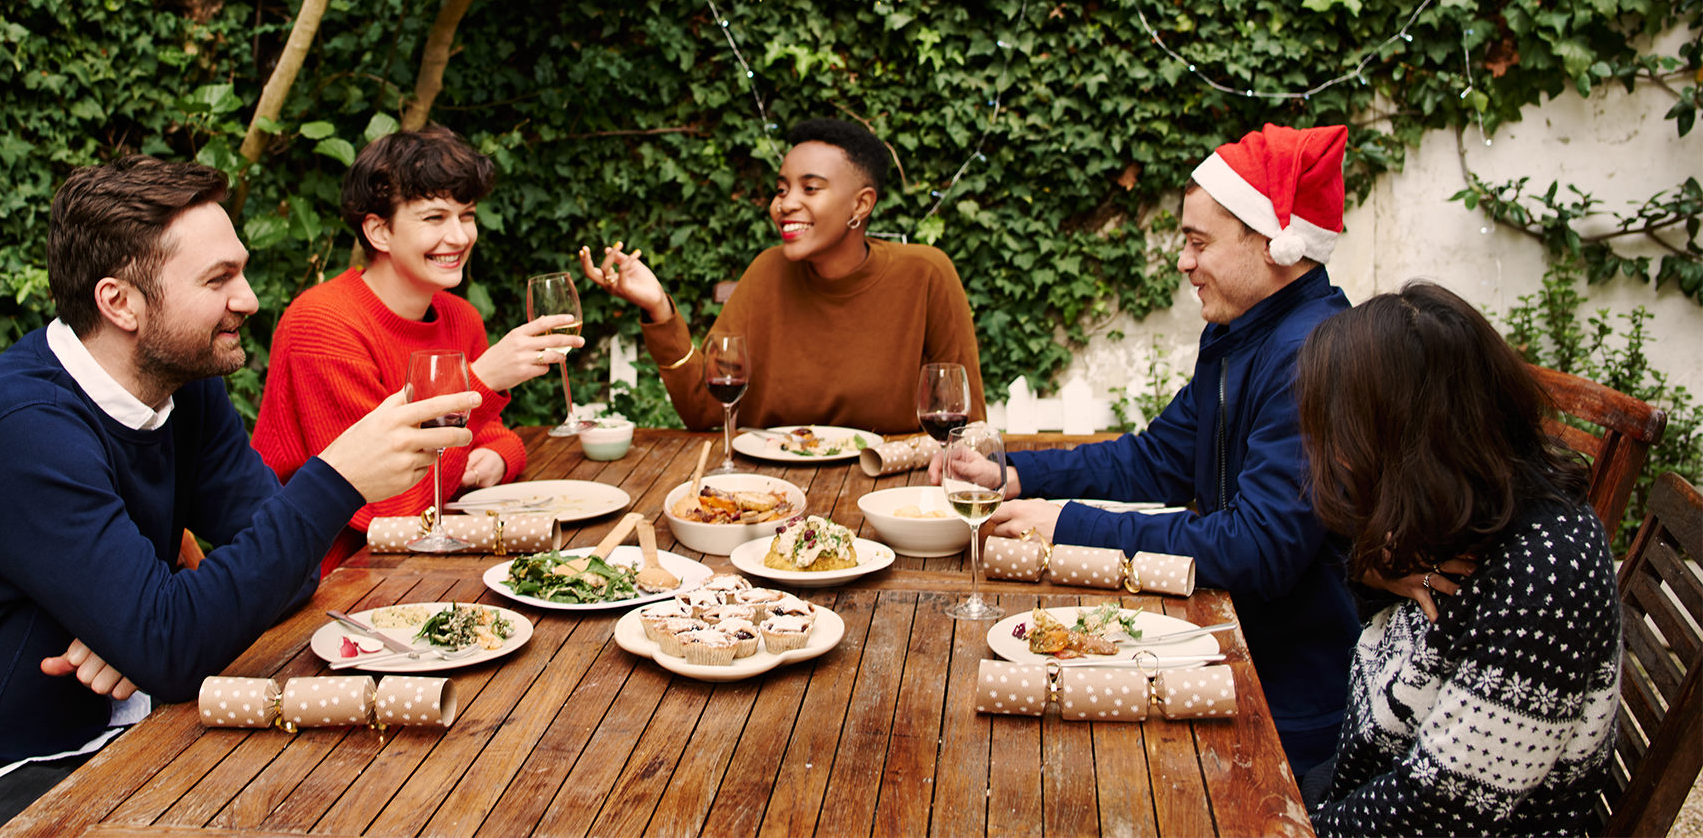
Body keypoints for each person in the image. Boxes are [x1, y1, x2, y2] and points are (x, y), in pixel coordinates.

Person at [0, 157, 475, 838]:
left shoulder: (183, 386)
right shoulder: (21, 428)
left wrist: (146, 627)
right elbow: (179, 643)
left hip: (97, 742)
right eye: (218, 279)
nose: (247, 298)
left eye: (238, 270)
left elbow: (290, 568)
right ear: (119, 301)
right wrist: (333, 481)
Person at [948, 122, 1359, 774]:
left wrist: (1068, 525)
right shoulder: (1243, 331)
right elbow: (1156, 460)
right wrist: (1018, 475)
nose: (1182, 260)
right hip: (1226, 646)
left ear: (1273, 242)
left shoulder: (1313, 355)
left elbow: (1259, 547)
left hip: (1284, 705)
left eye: (1198, 242)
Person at [1296, 282, 1621, 836]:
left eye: (1344, 433)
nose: (1337, 455)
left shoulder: (1546, 579)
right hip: (1355, 780)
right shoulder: (1469, 501)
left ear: (1411, 434)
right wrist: (1381, 574)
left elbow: (1436, 809)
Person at [252, 125, 581, 573]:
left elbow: (491, 434)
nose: (461, 236)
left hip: (430, 562)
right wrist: (481, 382)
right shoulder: (323, 325)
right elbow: (388, 511)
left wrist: (499, 458)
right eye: (434, 218)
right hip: (328, 578)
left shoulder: (460, 317)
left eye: (466, 215)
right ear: (378, 231)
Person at [578, 117, 983, 435]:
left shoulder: (926, 273)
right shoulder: (767, 272)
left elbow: (966, 425)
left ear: (861, 205)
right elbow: (705, 412)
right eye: (782, 188)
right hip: (776, 497)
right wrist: (657, 306)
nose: (785, 204)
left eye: (810, 188)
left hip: (892, 497)